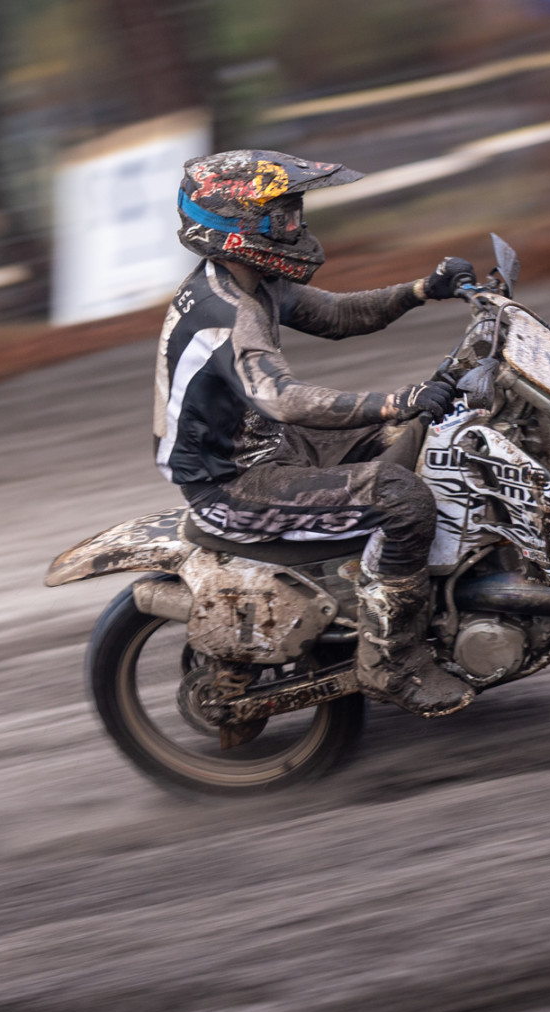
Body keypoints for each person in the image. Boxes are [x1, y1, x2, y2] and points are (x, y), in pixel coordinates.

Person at [156, 149, 479, 717]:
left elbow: (336, 316)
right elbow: (283, 399)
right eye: (282, 217)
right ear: (238, 224)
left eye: (294, 214)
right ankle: (392, 661)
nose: (296, 227)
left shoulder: (249, 280)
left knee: (428, 433)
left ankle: (428, 590)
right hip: (232, 481)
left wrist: (423, 289)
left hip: (267, 446)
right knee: (404, 499)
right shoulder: (224, 312)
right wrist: (394, 399)